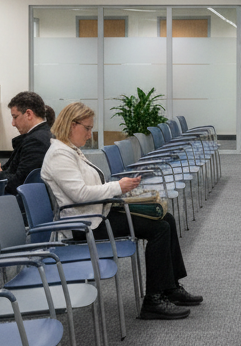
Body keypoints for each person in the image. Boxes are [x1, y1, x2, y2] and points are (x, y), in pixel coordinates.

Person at [41, 101, 201, 320]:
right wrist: (118, 187)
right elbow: (79, 194)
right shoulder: (60, 155)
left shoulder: (71, 150)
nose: (90, 135)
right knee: (159, 229)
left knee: (166, 218)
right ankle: (153, 300)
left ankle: (170, 287)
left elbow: (90, 188)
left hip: (98, 214)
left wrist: (120, 189)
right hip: (85, 225)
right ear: (71, 124)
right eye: (87, 128)